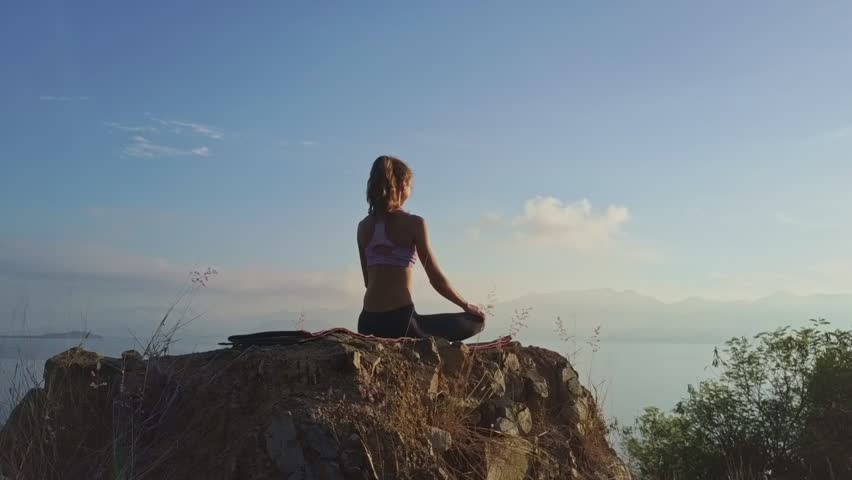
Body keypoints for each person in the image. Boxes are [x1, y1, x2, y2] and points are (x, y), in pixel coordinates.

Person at [357, 155, 486, 341]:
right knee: (476, 321)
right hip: (400, 322)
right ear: (402, 186)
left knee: (420, 321)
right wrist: (465, 305)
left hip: (367, 322)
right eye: (410, 185)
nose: (411, 191)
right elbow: (436, 279)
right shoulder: (414, 223)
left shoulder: (363, 227)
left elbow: (368, 281)